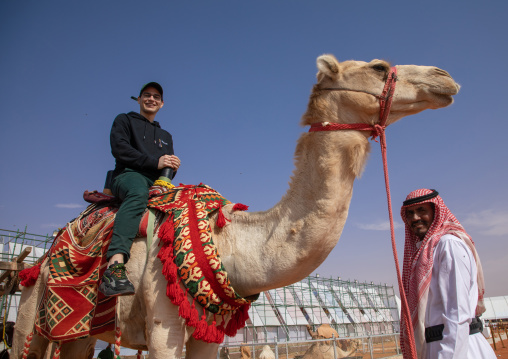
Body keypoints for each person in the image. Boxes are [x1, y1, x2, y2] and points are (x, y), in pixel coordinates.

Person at [99, 82, 181, 297]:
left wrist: (171, 166)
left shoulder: (166, 136)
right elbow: (120, 149)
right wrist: (156, 162)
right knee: (137, 194)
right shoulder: (124, 120)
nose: (151, 99)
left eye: (156, 96)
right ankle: (114, 267)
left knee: (191, 202)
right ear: (139, 99)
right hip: (128, 175)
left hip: (157, 182)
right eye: (147, 95)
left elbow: (164, 165)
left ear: (162, 104)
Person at [400, 188, 495, 358]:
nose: (415, 218)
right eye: (410, 213)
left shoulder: (448, 245)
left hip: (459, 349)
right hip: (436, 347)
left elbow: (457, 314)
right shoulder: (424, 253)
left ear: (436, 212)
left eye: (422, 210)